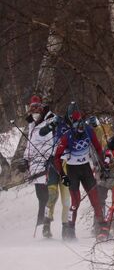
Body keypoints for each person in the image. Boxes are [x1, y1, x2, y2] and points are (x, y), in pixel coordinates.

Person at [53, 105, 103, 239]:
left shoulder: (89, 131)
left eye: (81, 125)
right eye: (77, 126)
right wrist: (62, 175)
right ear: (72, 125)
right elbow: (56, 157)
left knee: (96, 200)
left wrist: (103, 165)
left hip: (86, 169)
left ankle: (102, 228)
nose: (80, 129)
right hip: (72, 170)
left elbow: (98, 148)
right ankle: (70, 230)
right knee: (75, 203)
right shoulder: (67, 136)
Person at [23, 97, 59, 237]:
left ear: (42, 108)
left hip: (46, 164)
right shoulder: (32, 124)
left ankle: (45, 224)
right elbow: (30, 144)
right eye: (32, 108)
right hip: (34, 165)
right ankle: (41, 224)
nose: (34, 110)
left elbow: (53, 142)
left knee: (47, 196)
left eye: (37, 107)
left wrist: (51, 156)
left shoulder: (49, 121)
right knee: (41, 197)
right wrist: (25, 159)